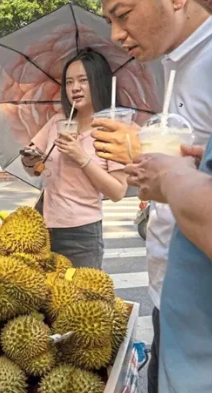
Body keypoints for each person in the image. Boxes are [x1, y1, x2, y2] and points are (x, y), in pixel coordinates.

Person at [93, 1, 212, 392]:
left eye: (123, 14)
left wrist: (150, 155)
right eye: (109, 20)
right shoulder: (172, 63)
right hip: (168, 288)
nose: (115, 34)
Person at [20, 48, 129, 270]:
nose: (74, 88)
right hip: (42, 226)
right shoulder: (57, 121)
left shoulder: (111, 130)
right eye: (69, 82)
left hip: (82, 234)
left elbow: (117, 191)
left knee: (80, 301)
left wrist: (82, 157)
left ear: (98, 82)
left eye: (83, 80)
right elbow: (35, 169)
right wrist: (30, 161)